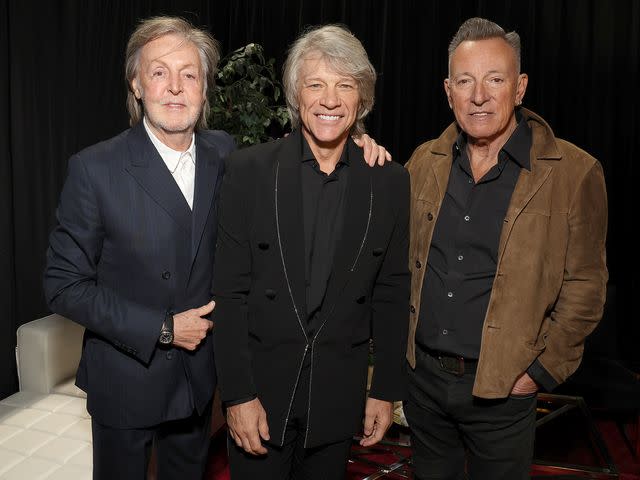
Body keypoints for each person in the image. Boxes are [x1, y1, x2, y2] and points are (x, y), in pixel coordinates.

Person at [43, 15, 389, 479]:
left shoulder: (225, 154)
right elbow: (63, 285)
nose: (175, 88)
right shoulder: (95, 169)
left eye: (190, 74)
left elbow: (297, 156)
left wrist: (355, 143)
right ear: (136, 84)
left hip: (197, 384)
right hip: (126, 381)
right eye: (159, 73)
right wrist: (162, 329)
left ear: (205, 88)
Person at [404, 17, 608, 479]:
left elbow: (587, 286)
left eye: (495, 80)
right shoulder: (422, 162)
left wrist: (540, 371)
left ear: (519, 88)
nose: (479, 95)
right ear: (447, 90)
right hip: (424, 384)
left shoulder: (574, 173)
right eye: (465, 81)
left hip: (503, 391)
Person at [212, 24, 410, 479]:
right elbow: (230, 292)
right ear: (294, 94)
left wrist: (384, 390)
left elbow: (393, 292)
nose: (329, 99)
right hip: (261, 396)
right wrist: (238, 397)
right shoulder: (250, 171)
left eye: (345, 86)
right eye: (315, 84)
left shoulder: (388, 181)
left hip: (337, 397)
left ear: (362, 99)